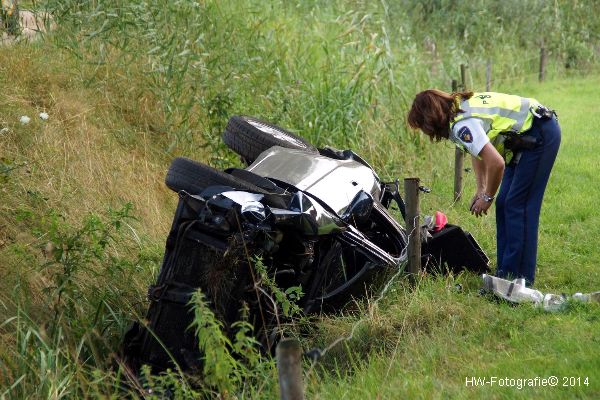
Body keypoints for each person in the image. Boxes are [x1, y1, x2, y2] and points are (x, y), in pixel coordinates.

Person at [407, 90, 561, 286]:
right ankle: (505, 271)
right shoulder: (458, 108)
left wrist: (487, 197)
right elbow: (478, 148)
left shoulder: (461, 124)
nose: (425, 132)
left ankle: (517, 279)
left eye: (422, 126)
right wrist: (481, 188)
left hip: (539, 133)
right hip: (522, 139)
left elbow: (496, 164)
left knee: (518, 206)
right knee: (505, 203)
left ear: (429, 119)